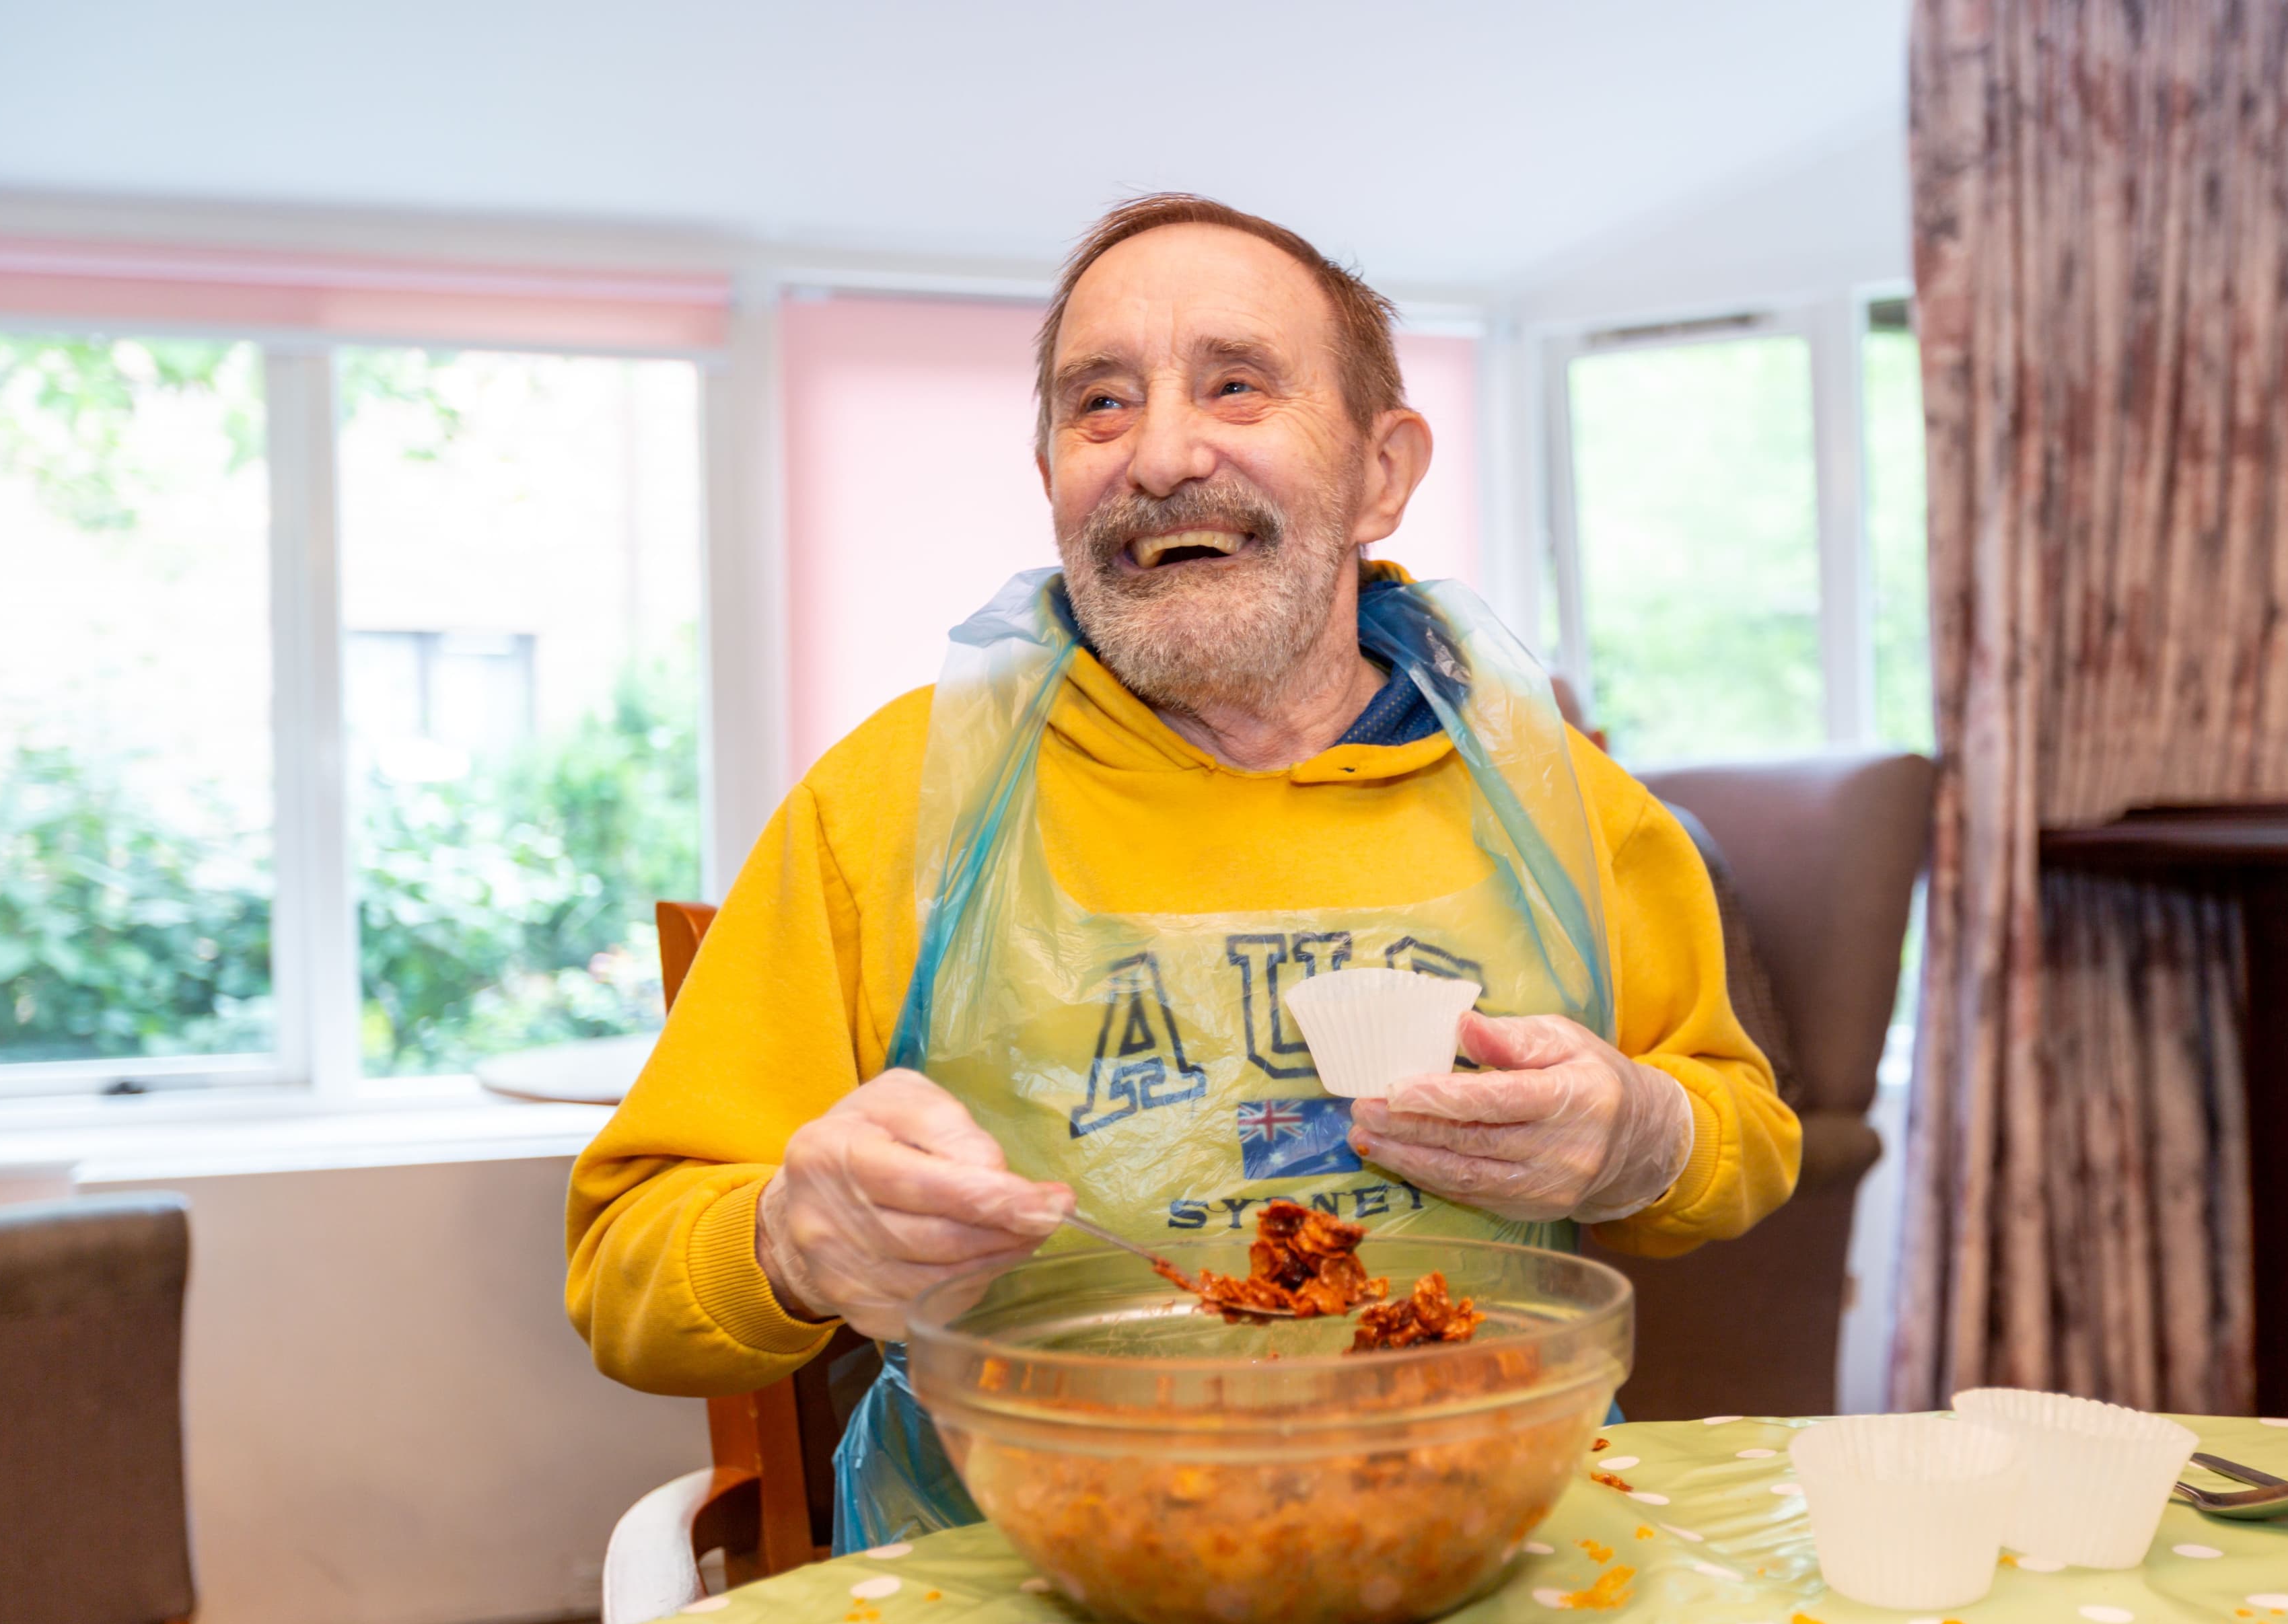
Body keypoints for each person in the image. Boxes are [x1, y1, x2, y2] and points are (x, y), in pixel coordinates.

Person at [565, 194, 1802, 1551]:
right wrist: (794, 1238)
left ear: (1380, 472)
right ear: (1049, 472)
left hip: (1486, 1541)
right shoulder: (897, 799)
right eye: (1099, 403)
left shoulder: (1557, 797)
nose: (1160, 453)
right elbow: (627, 1264)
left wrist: (1641, 1131)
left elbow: (1742, 1139)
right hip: (1019, 1569)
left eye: (1236, 385)